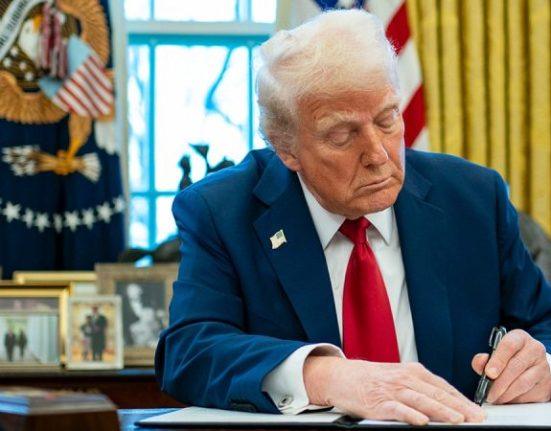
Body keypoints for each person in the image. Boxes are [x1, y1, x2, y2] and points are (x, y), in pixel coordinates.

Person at [155, 9, 551, 426]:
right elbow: (190, 351)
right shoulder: (223, 211)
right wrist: (326, 375)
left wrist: (541, 363)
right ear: (285, 147)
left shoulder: (473, 198)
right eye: (342, 135)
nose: (378, 155)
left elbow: (543, 322)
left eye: (387, 119)